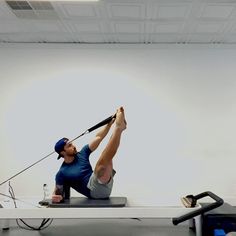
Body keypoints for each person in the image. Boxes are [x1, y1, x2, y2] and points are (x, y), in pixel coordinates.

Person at [52, 107, 127, 203]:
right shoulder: (62, 173)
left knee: (106, 157)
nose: (74, 146)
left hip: (104, 182)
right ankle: (119, 129)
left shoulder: (82, 153)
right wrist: (56, 196)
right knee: (101, 164)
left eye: (72, 143)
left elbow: (99, 137)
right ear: (62, 152)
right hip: (93, 191)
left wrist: (109, 123)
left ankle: (118, 127)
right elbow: (58, 193)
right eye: (69, 146)